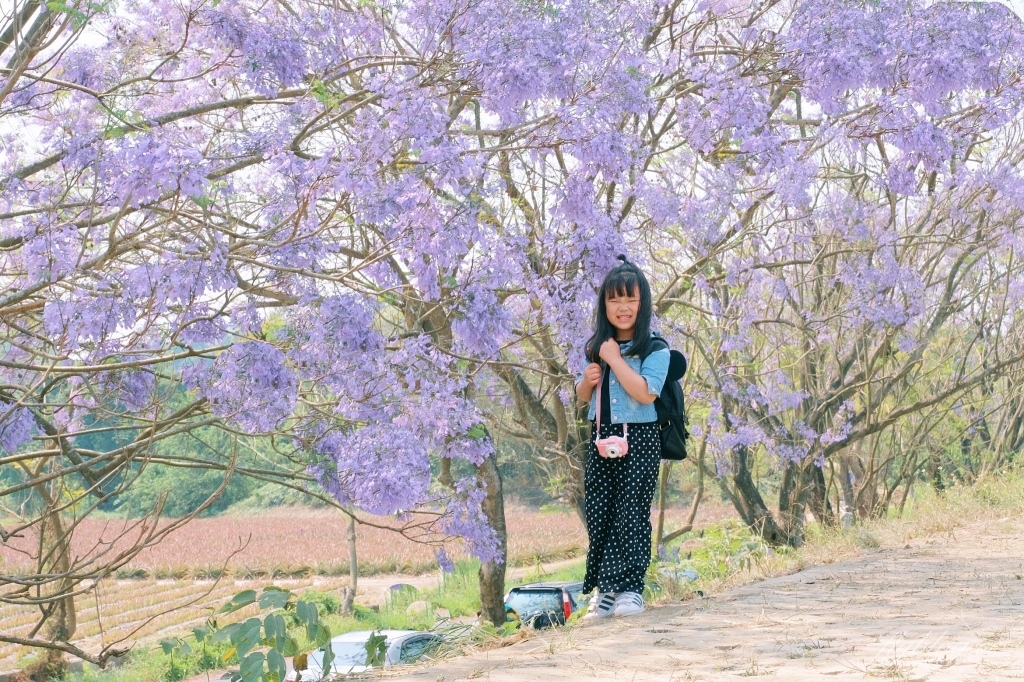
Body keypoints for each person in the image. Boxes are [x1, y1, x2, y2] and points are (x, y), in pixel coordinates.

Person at [575, 255, 670, 619]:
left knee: (632, 513)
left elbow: (646, 393)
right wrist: (588, 379)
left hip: (641, 439)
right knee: (601, 513)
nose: (623, 307)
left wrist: (614, 359)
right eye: (615, 300)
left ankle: (632, 589)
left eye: (631, 299)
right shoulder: (595, 346)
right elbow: (584, 396)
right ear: (604, 306)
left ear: (643, 304)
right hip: (601, 438)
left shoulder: (655, 349)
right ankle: (604, 591)